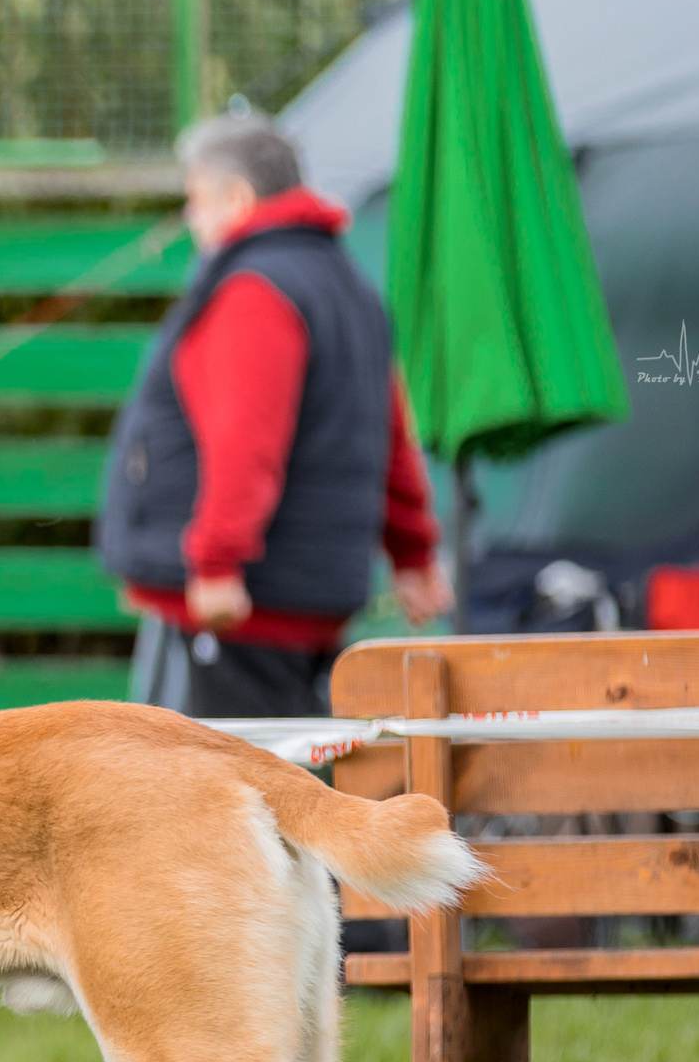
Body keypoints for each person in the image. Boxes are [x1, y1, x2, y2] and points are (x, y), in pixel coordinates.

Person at [99, 112, 449, 720]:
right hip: (306, 593)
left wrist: (216, 561)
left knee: (232, 797)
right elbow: (388, 439)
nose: (191, 221)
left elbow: (245, 441)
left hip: (243, 604)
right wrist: (413, 557)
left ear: (237, 198)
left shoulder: (254, 291)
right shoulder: (348, 286)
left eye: (196, 201)